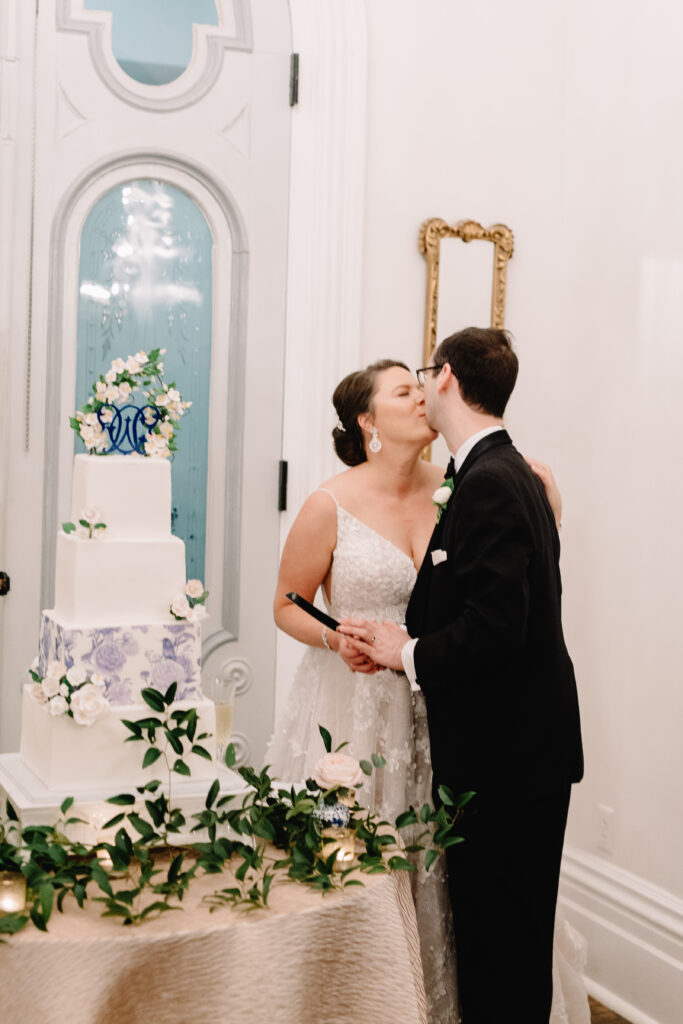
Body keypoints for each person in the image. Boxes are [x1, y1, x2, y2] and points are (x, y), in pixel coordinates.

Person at [266, 356, 581, 1024]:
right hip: (359, 714)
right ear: (366, 420)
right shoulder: (330, 503)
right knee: (364, 867)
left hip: (448, 713)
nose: (421, 398)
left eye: (422, 385)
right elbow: (287, 603)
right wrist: (335, 638)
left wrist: (547, 514)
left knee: (453, 875)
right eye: (402, 391)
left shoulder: (461, 486)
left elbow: (501, 591)